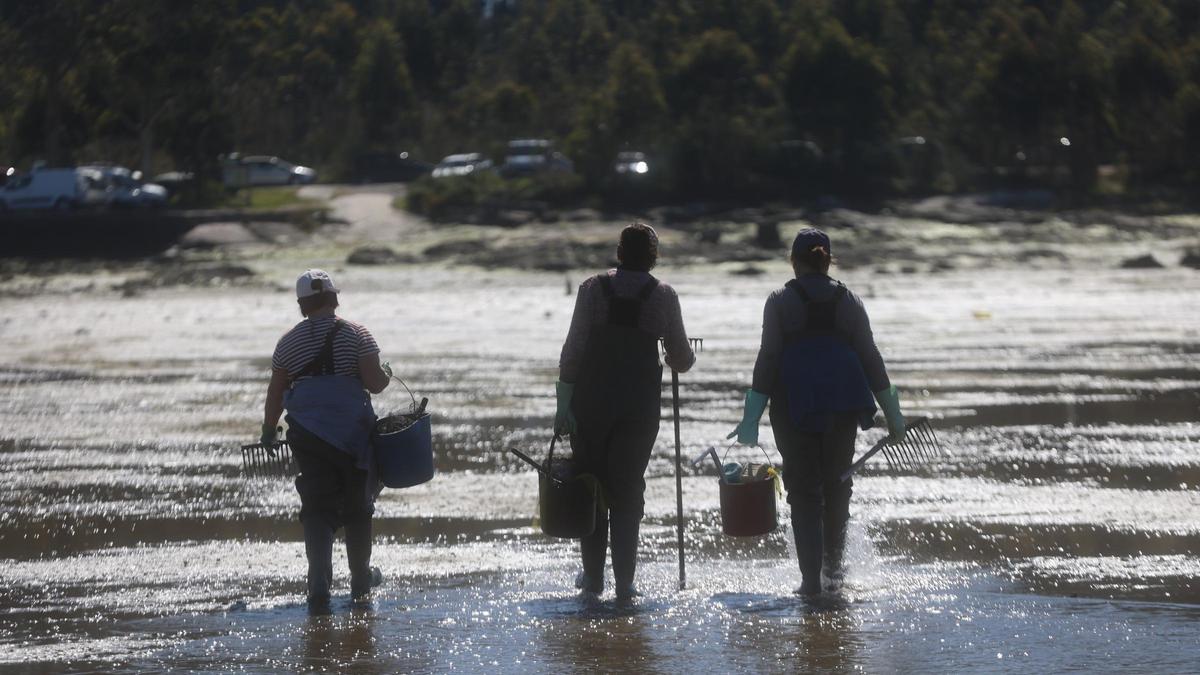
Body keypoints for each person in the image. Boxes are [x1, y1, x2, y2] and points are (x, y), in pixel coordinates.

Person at [729, 228, 905, 596]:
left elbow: (769, 358)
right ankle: (834, 577)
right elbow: (871, 358)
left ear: (794, 262)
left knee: (803, 492)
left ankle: (811, 583)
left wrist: (751, 417)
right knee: (838, 487)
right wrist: (893, 413)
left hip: (794, 405)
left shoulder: (779, 301)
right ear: (827, 261)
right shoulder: (850, 301)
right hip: (843, 403)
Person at [555, 223, 695, 602]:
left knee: (591, 486)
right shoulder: (663, 295)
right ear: (653, 256)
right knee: (628, 490)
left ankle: (593, 580)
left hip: (591, 403)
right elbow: (680, 358)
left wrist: (562, 403)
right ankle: (625, 584)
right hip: (638, 408)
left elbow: (573, 350)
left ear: (619, 252)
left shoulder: (591, 288)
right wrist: (681, 356)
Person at [261, 269, 391, 612]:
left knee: (317, 508)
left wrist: (268, 430)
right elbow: (375, 384)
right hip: (353, 436)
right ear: (334, 298)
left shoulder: (287, 342)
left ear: (303, 305)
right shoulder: (358, 335)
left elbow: (276, 392)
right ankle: (360, 584)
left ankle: (319, 582)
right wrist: (387, 374)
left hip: (308, 436)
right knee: (358, 509)